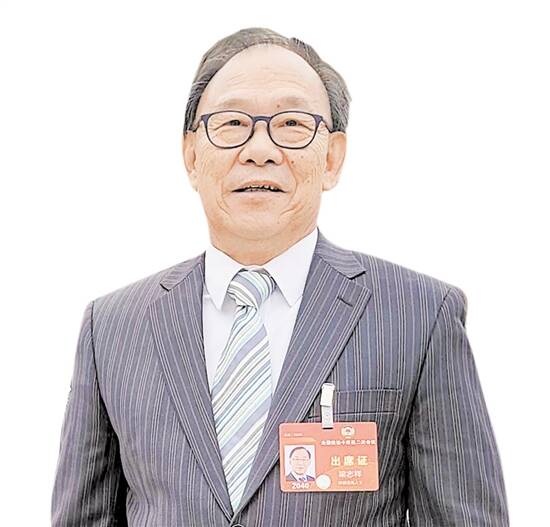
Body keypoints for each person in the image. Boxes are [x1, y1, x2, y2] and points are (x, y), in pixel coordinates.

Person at [51, 27, 510, 526]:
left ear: (332, 158)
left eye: (291, 124)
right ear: (191, 156)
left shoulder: (419, 316)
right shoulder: (112, 327)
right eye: (232, 123)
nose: (260, 150)